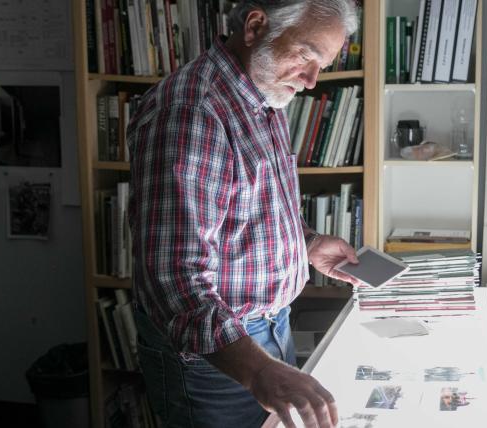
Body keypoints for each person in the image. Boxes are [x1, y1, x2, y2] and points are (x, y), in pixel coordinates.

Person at [126, 1, 360, 427]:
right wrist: (259, 370)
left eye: (320, 65)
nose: (310, 81)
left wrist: (307, 243)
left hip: (269, 331)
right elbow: (173, 277)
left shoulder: (263, 94)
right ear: (255, 27)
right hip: (212, 356)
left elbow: (248, 209)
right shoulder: (193, 110)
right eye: (306, 56)